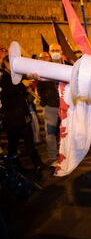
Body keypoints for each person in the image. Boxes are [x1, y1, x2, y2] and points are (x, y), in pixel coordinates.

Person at [0, 46, 43, 176]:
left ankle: (38, 164)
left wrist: (29, 92)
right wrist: (21, 85)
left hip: (23, 116)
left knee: (29, 141)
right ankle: (14, 169)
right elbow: (5, 94)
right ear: (7, 64)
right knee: (13, 144)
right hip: (12, 118)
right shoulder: (3, 76)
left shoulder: (16, 76)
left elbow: (21, 95)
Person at [36, 48, 61, 166]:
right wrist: (45, 102)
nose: (43, 59)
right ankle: (52, 156)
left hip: (63, 106)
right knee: (50, 132)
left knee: (63, 131)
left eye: (45, 57)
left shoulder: (57, 68)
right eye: (41, 58)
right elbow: (40, 90)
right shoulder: (40, 71)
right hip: (50, 107)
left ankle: (62, 154)